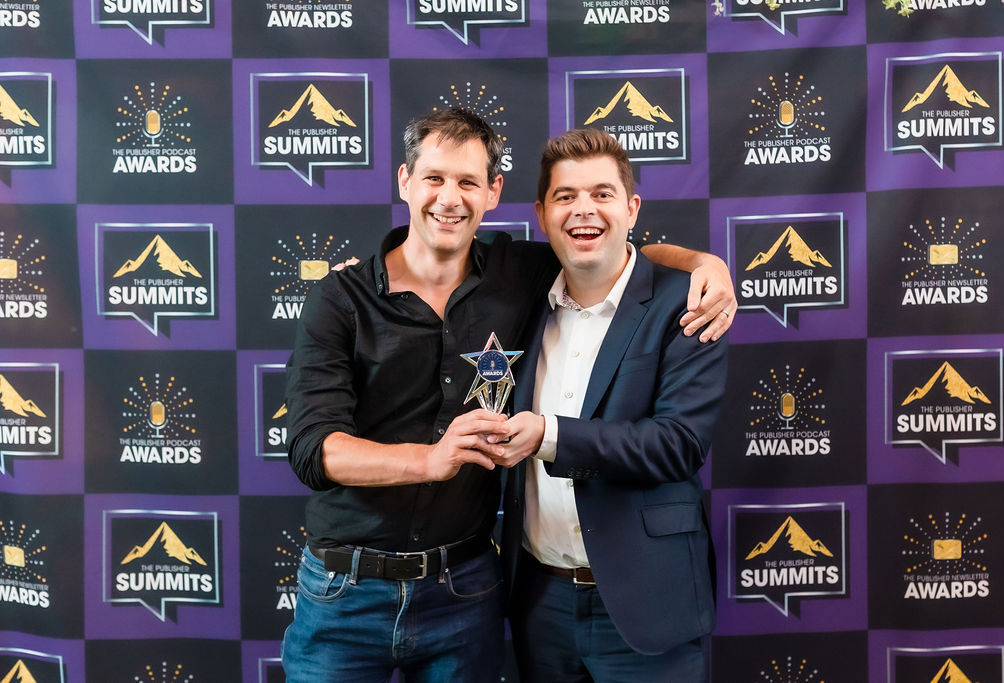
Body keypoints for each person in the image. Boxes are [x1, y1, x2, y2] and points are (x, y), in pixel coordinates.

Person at [283, 108, 733, 682]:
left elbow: (622, 250)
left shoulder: (523, 272)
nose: (450, 198)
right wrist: (430, 459)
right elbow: (311, 450)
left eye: (468, 181)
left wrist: (706, 264)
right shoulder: (341, 297)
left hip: (467, 590)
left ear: (493, 192)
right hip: (346, 590)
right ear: (405, 181)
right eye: (434, 178)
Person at [495, 129, 728, 682]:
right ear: (541, 214)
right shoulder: (519, 297)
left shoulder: (687, 302)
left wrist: (548, 434)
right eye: (565, 196)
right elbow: (435, 255)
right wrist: (360, 279)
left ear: (631, 207)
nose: (584, 210)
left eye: (602, 193)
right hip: (539, 601)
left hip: (649, 602)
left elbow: (678, 445)